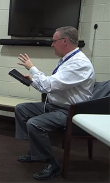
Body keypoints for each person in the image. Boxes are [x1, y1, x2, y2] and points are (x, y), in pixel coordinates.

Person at [15, 26, 95, 180]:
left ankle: (53, 164)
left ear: (64, 41)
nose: (52, 44)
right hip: (54, 106)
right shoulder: (67, 60)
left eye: (54, 41)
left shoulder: (79, 64)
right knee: (21, 109)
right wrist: (31, 82)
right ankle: (37, 152)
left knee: (34, 123)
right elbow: (49, 87)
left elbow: (48, 85)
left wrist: (32, 68)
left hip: (70, 111)